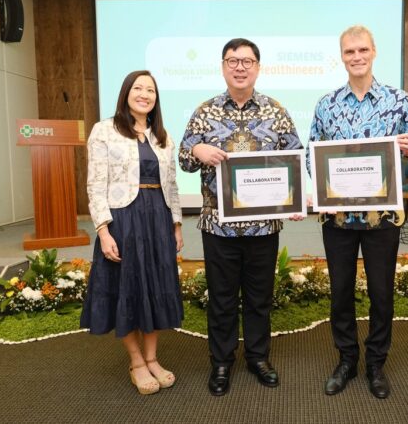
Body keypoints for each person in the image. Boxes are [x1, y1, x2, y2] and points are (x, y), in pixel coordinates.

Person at [178, 38, 303, 396]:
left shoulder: (276, 110)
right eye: (233, 60)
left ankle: (258, 357)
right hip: (218, 225)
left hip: (264, 226)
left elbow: (294, 158)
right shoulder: (205, 111)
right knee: (221, 297)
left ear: (258, 67)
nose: (240, 67)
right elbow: (184, 160)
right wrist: (196, 149)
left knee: (260, 295)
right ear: (223, 66)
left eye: (247, 60)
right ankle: (221, 361)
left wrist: (294, 200)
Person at [307, 25, 408, 399]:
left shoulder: (398, 99)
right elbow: (312, 159)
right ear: (341, 57)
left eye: (362, 50)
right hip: (338, 220)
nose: (356, 57)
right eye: (348, 52)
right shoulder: (326, 104)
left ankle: (376, 364)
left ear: (374, 52)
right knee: (340, 292)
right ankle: (346, 360)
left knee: (381, 293)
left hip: (382, 219)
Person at [80, 70, 184, 396]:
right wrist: (103, 230)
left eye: (150, 90)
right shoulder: (104, 131)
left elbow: (172, 186)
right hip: (123, 219)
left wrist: (177, 224)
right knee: (126, 286)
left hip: (158, 219)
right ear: (126, 93)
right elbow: (95, 183)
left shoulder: (162, 136)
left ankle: (153, 358)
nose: (144, 94)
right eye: (138, 88)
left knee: (155, 286)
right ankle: (136, 362)